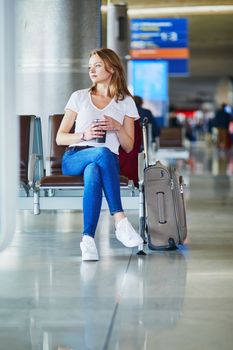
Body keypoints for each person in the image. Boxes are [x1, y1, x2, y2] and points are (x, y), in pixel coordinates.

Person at [56, 48, 143, 261]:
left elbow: (129, 146)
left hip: (104, 163)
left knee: (94, 171)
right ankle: (120, 220)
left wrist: (117, 127)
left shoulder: (126, 102)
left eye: (97, 65)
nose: (91, 70)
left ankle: (88, 241)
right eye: (90, 67)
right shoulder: (79, 97)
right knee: (101, 153)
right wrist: (84, 134)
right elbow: (60, 138)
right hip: (75, 156)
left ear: (111, 68)